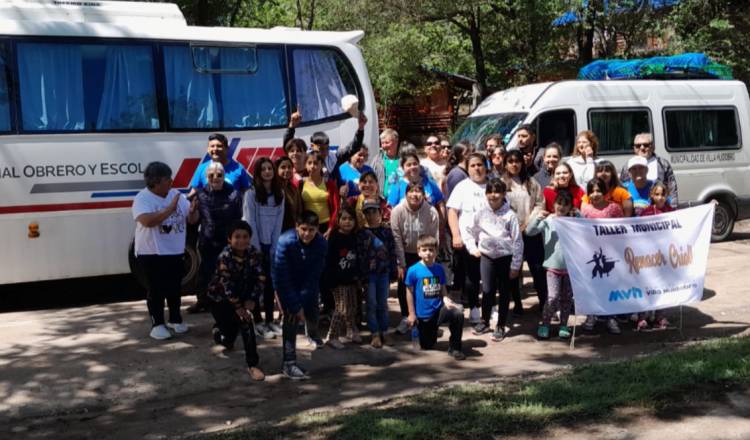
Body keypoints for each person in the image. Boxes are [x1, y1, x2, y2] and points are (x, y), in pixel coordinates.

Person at [132, 162, 197, 340]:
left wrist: (192, 212)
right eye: (168, 179)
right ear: (156, 181)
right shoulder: (142, 198)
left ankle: (176, 320)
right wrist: (169, 209)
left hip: (175, 251)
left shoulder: (176, 195)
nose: (172, 182)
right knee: (156, 289)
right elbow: (147, 221)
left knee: (175, 288)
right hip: (151, 252)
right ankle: (157, 324)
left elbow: (191, 220)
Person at [460, 178, 523, 341]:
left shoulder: (510, 215)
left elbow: (517, 241)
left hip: (505, 258)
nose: (493, 195)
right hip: (487, 257)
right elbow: (469, 230)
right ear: (486, 193)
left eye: (497, 192)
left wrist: (516, 265)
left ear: (503, 194)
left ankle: (501, 325)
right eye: (490, 192)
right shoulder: (480, 211)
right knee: (487, 291)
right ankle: (485, 321)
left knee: (503, 292)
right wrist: (472, 248)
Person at [206, 220, 265, 381]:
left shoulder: (254, 253)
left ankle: (253, 364)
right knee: (227, 338)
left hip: (243, 295)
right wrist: (238, 306)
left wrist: (252, 300)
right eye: (237, 237)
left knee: (246, 323)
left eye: (245, 237)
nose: (241, 241)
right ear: (229, 239)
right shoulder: (224, 257)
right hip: (220, 299)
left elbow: (260, 278)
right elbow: (226, 285)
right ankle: (218, 331)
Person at [272, 210, 328, 380]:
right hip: (285, 282)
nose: (307, 234)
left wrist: (302, 304)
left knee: (311, 312)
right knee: (291, 319)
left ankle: (311, 333)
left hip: (307, 284)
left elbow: (314, 275)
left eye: (311, 230)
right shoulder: (285, 242)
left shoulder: (321, 244)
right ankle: (289, 363)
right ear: (296, 226)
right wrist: (295, 307)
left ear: (317, 229)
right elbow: (282, 276)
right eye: (303, 229)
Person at [190, 162, 243, 314]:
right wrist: (192, 212)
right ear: (206, 177)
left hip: (227, 242)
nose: (215, 178)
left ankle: (230, 303)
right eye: (211, 175)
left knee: (229, 274)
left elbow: (239, 218)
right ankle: (202, 302)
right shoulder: (199, 194)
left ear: (224, 176)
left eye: (219, 175)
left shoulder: (234, 194)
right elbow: (192, 221)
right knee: (205, 272)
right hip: (207, 241)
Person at [405, 235, 466, 360]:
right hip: (423, 316)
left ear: (436, 251)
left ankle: (455, 348)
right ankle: (427, 331)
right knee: (427, 345)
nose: (428, 253)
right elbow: (409, 292)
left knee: (457, 313)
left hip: (438, 310)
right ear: (418, 251)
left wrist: (446, 299)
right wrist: (411, 314)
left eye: (431, 250)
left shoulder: (439, 268)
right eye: (424, 250)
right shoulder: (413, 270)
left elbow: (442, 288)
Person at [500, 149, 546, 315]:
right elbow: (499, 207)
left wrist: (527, 224)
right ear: (505, 164)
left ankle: (544, 303)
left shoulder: (532, 183)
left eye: (517, 161)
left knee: (538, 269)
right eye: (510, 161)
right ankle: (517, 304)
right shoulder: (501, 184)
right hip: (510, 234)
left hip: (530, 232)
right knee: (513, 270)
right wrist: (515, 226)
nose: (514, 164)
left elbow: (540, 204)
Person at [243, 157, 285, 338]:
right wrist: (257, 247)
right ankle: (257, 321)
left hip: (271, 247)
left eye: (270, 168)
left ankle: (269, 320)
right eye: (264, 169)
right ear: (258, 173)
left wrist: (274, 247)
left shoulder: (279, 194)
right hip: (256, 247)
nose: (267, 171)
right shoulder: (251, 194)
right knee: (255, 285)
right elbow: (249, 221)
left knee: (269, 285)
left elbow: (278, 222)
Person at [391, 183, 440, 335]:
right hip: (405, 252)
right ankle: (407, 317)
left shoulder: (431, 211)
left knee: (426, 287)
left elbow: (434, 237)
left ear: (424, 195)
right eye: (411, 191)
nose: (415, 195)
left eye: (418, 191)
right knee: (404, 286)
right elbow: (396, 237)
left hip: (424, 252)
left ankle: (428, 319)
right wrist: (401, 263)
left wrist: (431, 257)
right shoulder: (397, 211)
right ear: (406, 194)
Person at [526, 191, 576, 340]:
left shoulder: (573, 221)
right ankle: (545, 324)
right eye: (559, 203)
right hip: (552, 266)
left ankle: (563, 325)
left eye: (566, 204)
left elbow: (585, 230)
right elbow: (529, 232)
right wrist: (537, 218)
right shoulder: (548, 220)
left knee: (567, 298)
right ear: (554, 204)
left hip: (570, 268)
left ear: (570, 207)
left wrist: (578, 215)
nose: (562, 207)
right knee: (552, 297)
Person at [446, 152, 489, 324]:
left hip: (491, 240)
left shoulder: (494, 185)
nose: (477, 168)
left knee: (489, 276)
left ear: (485, 167)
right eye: (473, 165)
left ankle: (490, 306)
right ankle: (473, 307)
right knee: (471, 276)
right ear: (468, 168)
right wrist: (456, 235)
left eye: (480, 164)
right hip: (469, 240)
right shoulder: (462, 187)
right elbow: (452, 212)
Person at [581, 178, 625, 336]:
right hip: (591, 255)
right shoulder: (585, 210)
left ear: (605, 192)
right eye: (592, 191)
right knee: (592, 285)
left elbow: (622, 229)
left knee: (610, 286)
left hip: (610, 255)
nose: (595, 194)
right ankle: (591, 315)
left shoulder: (614, 208)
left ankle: (610, 317)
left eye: (598, 190)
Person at [357, 200, 398, 348]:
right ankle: (374, 332)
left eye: (374, 211)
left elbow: (392, 252)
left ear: (380, 213)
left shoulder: (386, 232)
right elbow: (360, 255)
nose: (371, 215)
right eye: (367, 212)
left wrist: (394, 270)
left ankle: (384, 331)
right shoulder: (361, 234)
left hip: (384, 273)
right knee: (371, 303)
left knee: (383, 303)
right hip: (369, 275)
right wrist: (361, 276)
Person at [635, 181, 674, 331]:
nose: (660, 197)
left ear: (667, 195)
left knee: (663, 286)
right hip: (648, 256)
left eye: (663, 194)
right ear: (651, 195)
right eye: (657, 194)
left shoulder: (671, 212)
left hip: (664, 257)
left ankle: (660, 316)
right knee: (647, 285)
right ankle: (642, 317)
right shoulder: (646, 212)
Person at [325, 207, 363, 348]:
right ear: (338, 220)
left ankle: (351, 330)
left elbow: (357, 258)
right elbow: (329, 261)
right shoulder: (334, 238)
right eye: (344, 219)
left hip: (351, 279)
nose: (347, 222)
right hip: (337, 281)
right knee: (341, 309)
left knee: (352, 306)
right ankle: (332, 336)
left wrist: (358, 277)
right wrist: (331, 281)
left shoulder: (354, 237)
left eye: (351, 219)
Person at [619, 133, 678, 205]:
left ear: (653, 147)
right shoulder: (627, 166)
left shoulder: (663, 164)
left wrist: (673, 207)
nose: (642, 148)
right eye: (638, 146)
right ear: (634, 148)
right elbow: (622, 187)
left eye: (646, 145)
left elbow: (671, 188)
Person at [301, 152, 340, 238]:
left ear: (322, 165)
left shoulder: (329, 184)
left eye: (316, 163)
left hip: (326, 226)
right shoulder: (301, 184)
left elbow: (336, 208)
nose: (312, 166)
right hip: (307, 227)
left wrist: (330, 228)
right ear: (305, 165)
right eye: (309, 163)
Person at [276, 156, 303, 231]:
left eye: (289, 167)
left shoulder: (293, 188)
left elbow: (299, 211)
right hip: (277, 231)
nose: (287, 170)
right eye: (283, 167)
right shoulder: (274, 189)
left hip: (292, 230)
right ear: (276, 170)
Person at [372, 128, 401, 197]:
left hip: (400, 200)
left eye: (387, 143)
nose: (384, 146)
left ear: (396, 142)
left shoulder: (403, 159)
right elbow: (371, 178)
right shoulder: (377, 160)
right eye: (382, 143)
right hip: (381, 199)